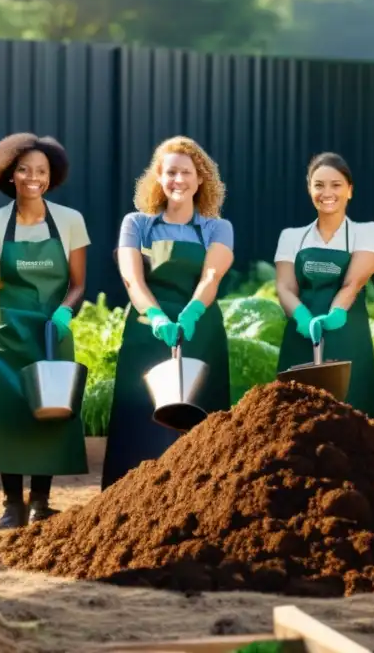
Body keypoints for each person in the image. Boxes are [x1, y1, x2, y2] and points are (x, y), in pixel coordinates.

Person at [0, 133, 90, 528]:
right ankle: (11, 504)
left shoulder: (70, 221)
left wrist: (65, 313)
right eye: (24, 169)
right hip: (5, 334)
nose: (33, 177)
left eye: (41, 170)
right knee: (7, 414)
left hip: (53, 330)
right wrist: (5, 321)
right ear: (9, 174)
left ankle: (40, 502)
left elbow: (77, 283)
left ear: (51, 177)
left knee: (50, 412)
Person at [101, 136, 233, 489]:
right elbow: (132, 278)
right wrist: (157, 317)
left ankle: (201, 495)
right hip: (146, 332)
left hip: (200, 331)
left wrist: (190, 312)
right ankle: (128, 498)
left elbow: (211, 275)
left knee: (199, 421)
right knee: (141, 423)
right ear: (158, 177)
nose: (178, 180)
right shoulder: (137, 224)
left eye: (186, 172)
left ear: (200, 178)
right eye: (170, 172)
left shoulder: (217, 228)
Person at [274, 153, 374, 420]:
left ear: (350, 190)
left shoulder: (365, 231)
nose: (327, 192)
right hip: (300, 337)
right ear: (309, 189)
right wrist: (301, 317)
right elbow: (285, 287)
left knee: (354, 416)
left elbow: (353, 282)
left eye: (336, 185)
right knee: (297, 420)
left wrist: (336, 313)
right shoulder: (291, 236)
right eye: (319, 185)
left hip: (349, 334)